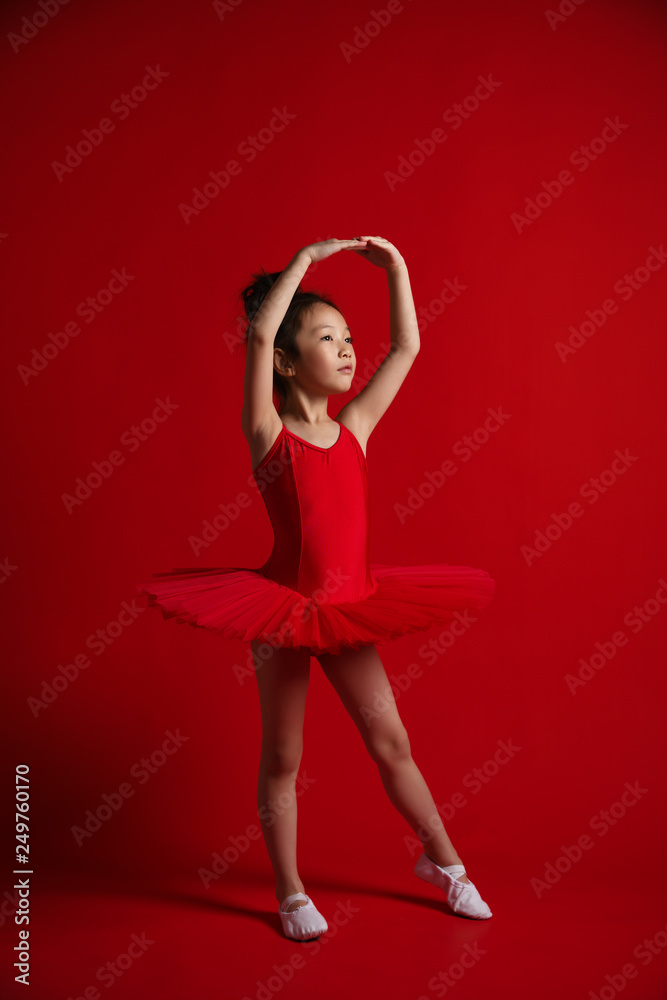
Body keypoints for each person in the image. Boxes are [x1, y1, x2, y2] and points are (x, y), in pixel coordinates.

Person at [136, 236, 496, 939]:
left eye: (347, 338)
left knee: (392, 743)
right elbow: (261, 330)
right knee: (282, 757)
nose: (344, 349)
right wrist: (306, 261)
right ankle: (291, 891)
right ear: (284, 360)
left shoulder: (355, 429)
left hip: (352, 604)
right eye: (325, 337)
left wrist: (396, 267)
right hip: (282, 609)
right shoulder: (266, 430)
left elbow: (406, 350)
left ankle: (446, 867)